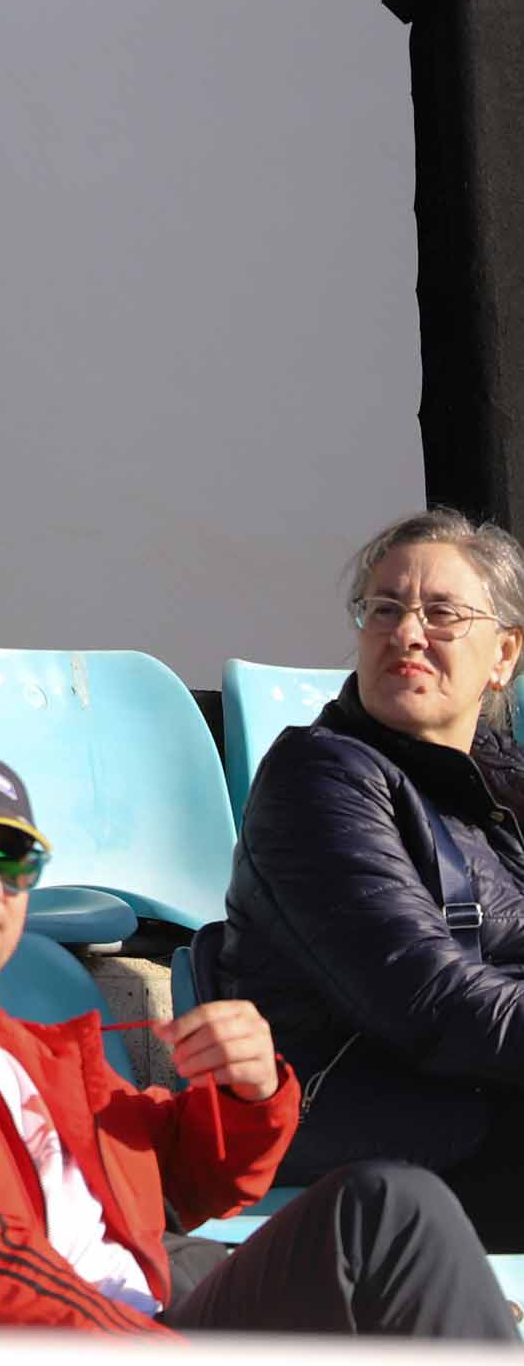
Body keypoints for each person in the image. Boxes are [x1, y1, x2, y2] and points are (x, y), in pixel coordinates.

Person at [0, 741, 515, 1335]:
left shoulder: (22, 1049)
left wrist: (247, 1093)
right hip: (90, 1342)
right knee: (388, 1214)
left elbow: (172, 1185)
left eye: (12, 860)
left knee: (391, 1219)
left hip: (138, 1323)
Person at [223, 509, 524, 1244]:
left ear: (504, 655)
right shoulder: (319, 777)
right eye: (384, 608)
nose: (407, 632)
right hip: (366, 1120)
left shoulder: (504, 787)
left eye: (442, 613)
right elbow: (425, 999)